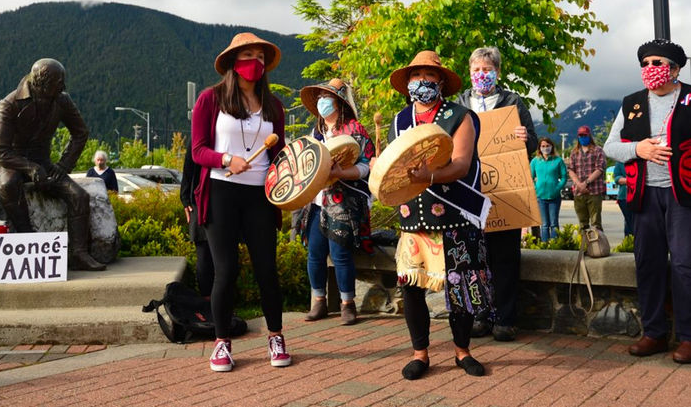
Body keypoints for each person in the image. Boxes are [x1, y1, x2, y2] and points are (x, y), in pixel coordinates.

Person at [603, 39, 691, 364]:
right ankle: (654, 333)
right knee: (647, 264)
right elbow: (610, 146)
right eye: (645, 63)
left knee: (687, 265)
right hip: (645, 196)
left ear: (675, 69)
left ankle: (690, 338)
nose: (650, 68)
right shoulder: (632, 103)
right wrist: (639, 149)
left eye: (658, 62)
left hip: (688, 196)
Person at [387, 50, 494, 380]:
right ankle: (420, 353)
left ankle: (462, 351)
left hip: (454, 215)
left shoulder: (459, 116)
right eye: (416, 76)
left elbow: (461, 164)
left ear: (441, 82)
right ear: (407, 83)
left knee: (460, 286)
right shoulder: (400, 120)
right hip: (412, 218)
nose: (422, 81)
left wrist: (429, 176)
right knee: (410, 286)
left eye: (429, 76)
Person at [191, 32, 289, 372]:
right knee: (226, 271)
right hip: (221, 193)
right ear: (234, 62)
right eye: (248, 56)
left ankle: (276, 337)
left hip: (260, 195)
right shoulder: (210, 99)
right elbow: (197, 150)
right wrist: (225, 160)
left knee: (267, 271)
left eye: (260, 58)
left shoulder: (274, 106)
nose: (255, 63)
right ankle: (221, 343)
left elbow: (279, 157)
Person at [456, 46, 537, 342]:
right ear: (470, 72)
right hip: (468, 191)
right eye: (477, 69)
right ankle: (480, 316)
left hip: (505, 191)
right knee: (475, 258)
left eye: (487, 69)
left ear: (498, 72)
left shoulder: (513, 102)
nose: (482, 74)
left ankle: (505, 318)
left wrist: (523, 137)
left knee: (505, 257)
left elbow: (532, 144)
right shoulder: (460, 104)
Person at [0, 58, 105, 271]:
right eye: (58, 82)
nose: (63, 87)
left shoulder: (62, 101)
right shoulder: (9, 104)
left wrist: (63, 166)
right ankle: (29, 243)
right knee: (7, 186)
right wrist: (30, 168)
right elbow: (0, 152)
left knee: (79, 196)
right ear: (41, 83)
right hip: (14, 163)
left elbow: (81, 133)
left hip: (44, 162)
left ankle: (79, 254)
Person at [298, 78, 375, 326]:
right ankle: (318, 300)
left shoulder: (356, 131)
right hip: (317, 200)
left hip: (344, 201)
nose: (322, 102)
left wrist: (342, 173)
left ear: (339, 102)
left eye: (327, 97)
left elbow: (366, 166)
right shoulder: (316, 133)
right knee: (315, 252)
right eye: (320, 97)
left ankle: (347, 303)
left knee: (340, 253)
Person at [180, 136, 214, 298]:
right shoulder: (199, 136)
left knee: (222, 255)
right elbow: (188, 167)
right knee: (204, 253)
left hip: (222, 199)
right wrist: (185, 198)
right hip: (199, 200)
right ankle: (207, 300)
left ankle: (219, 302)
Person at [568, 125, 607, 231]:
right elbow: (571, 170)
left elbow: (600, 169)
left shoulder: (598, 150)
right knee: (582, 224)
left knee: (596, 224)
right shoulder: (574, 152)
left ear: (589, 135)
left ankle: (597, 247)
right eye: (580, 135)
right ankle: (585, 247)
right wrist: (579, 184)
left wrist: (586, 183)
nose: (582, 137)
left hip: (594, 191)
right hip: (579, 192)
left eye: (584, 135)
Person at [530, 137, 568, 242]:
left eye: (547, 146)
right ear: (539, 148)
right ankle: (545, 245)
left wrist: (558, 188)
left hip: (554, 197)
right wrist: (535, 187)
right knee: (545, 224)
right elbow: (530, 177)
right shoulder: (535, 161)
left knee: (554, 223)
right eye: (543, 146)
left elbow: (564, 177)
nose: (545, 148)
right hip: (540, 197)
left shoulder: (558, 161)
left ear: (551, 147)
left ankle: (555, 244)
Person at [613, 162, 634, 237]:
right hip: (624, 197)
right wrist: (630, 180)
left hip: (641, 196)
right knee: (629, 221)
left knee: (633, 222)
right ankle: (630, 242)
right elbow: (616, 178)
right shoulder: (620, 162)